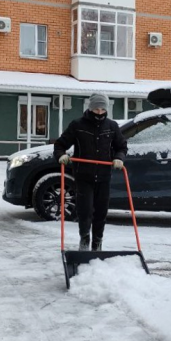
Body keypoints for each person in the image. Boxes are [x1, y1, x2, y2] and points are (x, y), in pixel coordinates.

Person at [53, 94, 127, 252]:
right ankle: (84, 241)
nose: (99, 112)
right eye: (96, 109)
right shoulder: (78, 125)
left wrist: (119, 158)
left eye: (102, 109)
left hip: (104, 176)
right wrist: (62, 155)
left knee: (101, 212)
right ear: (90, 108)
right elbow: (60, 145)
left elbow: (121, 147)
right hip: (83, 176)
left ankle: (97, 243)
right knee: (85, 211)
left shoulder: (112, 126)